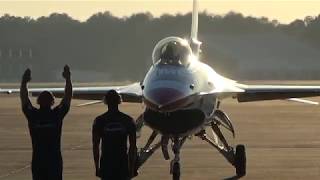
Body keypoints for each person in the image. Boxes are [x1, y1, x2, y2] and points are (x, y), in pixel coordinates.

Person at [20, 65, 73, 180]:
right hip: (54, 161)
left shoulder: (33, 115)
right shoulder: (56, 114)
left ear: (38, 101)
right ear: (53, 102)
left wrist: (24, 82)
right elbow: (67, 98)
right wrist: (68, 79)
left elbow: (24, 99)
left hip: (39, 161)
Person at [92, 90, 137, 180]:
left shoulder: (99, 121)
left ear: (106, 101)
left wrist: (97, 167)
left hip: (106, 165)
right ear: (119, 101)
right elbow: (132, 147)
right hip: (122, 164)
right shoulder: (128, 120)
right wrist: (131, 168)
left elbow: (95, 146)